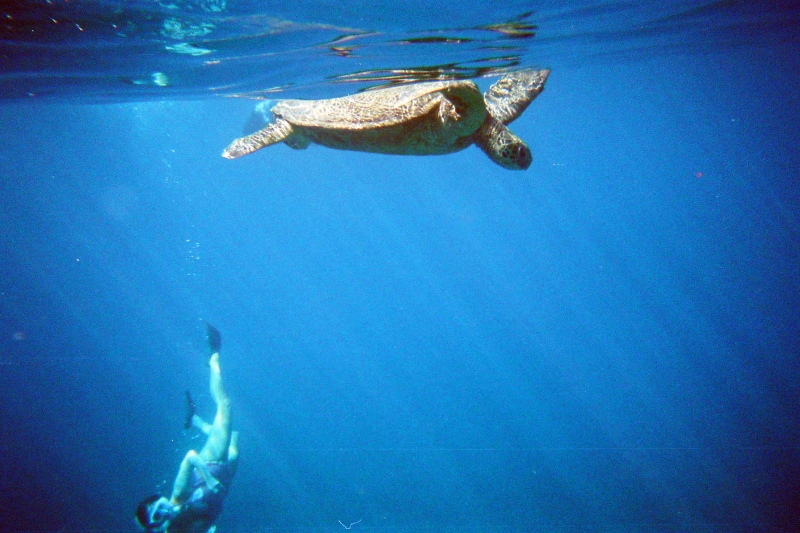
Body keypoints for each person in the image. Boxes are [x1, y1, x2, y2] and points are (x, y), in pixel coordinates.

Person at [136, 324, 239, 533]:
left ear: (162, 499)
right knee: (235, 445)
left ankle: (214, 358)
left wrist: (209, 480)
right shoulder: (175, 530)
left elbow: (191, 456)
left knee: (225, 406)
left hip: (212, 463)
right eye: (158, 516)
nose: (165, 512)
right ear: (156, 526)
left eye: (159, 507)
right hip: (224, 478)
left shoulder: (179, 494)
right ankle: (196, 421)